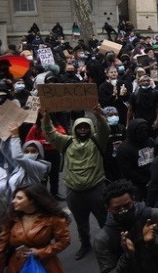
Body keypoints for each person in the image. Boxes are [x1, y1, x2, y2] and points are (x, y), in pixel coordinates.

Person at [42, 106, 110, 260]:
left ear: (91, 128)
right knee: (81, 222)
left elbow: (105, 130)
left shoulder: (97, 141)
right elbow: (50, 133)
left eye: (86, 126)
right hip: (74, 191)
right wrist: (46, 117)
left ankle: (110, 244)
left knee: (103, 219)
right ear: (74, 129)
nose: (83, 130)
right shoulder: (65, 142)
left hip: (96, 188)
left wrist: (98, 116)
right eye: (80, 127)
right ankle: (85, 244)